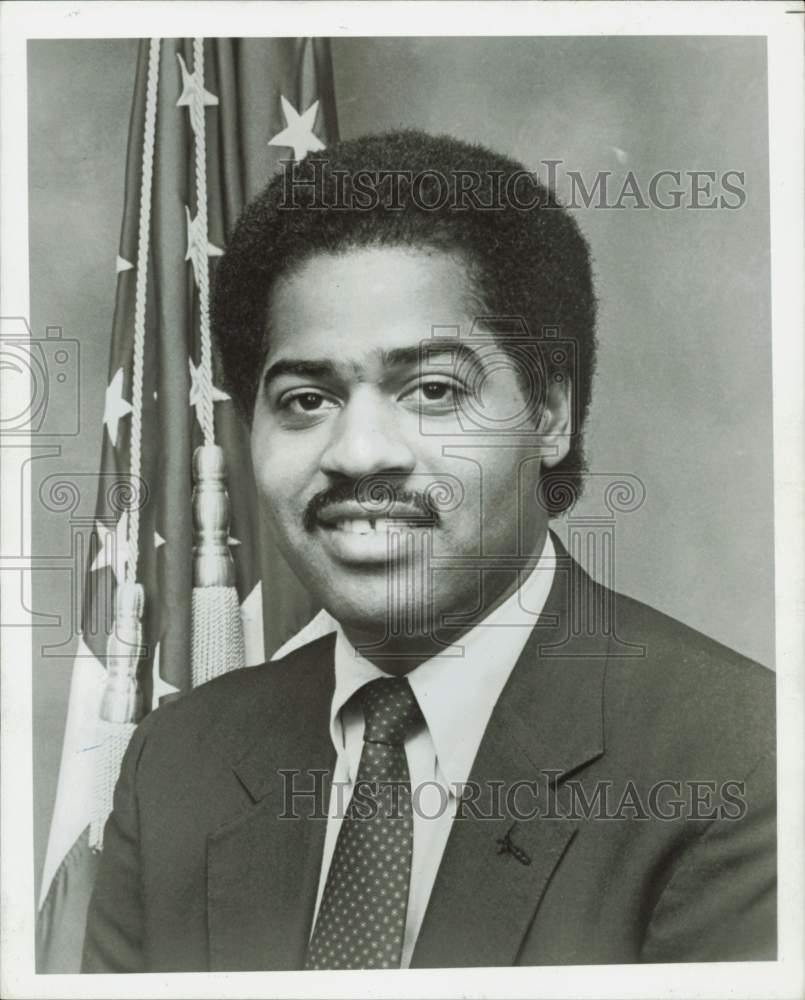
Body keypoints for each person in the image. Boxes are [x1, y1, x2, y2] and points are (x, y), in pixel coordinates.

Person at [82, 130, 776, 972]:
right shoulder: (178, 764)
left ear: (548, 412)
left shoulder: (746, 758)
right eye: (305, 399)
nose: (359, 452)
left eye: (433, 391)